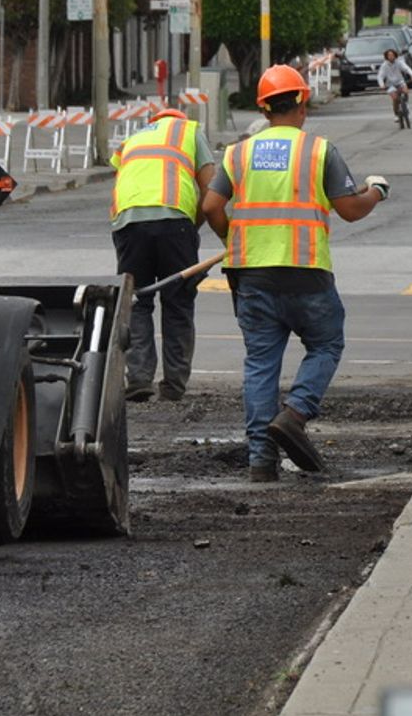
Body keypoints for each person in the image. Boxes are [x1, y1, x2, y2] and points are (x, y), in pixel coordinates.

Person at [201, 64, 389, 482]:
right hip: (305, 272)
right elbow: (350, 209)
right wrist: (377, 191)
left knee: (261, 364)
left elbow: (212, 207)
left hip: (251, 274)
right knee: (326, 343)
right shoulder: (319, 151)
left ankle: (261, 462)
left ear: (264, 108)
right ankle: (296, 412)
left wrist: (233, 240)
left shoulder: (237, 153)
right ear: (302, 103)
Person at [110, 106, 217, 402]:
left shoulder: (132, 140)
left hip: (128, 223)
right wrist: (192, 227)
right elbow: (210, 191)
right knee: (178, 301)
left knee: (138, 301)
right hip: (174, 222)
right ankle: (173, 385)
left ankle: (140, 379)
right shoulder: (190, 131)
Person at [377, 48, 412, 127]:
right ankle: (396, 114)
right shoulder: (384, 66)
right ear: (386, 57)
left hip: (400, 82)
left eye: (392, 55)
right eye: (389, 55)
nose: (391, 57)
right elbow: (380, 76)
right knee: (395, 98)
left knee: (405, 91)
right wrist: (382, 85)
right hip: (390, 85)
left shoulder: (399, 62)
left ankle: (406, 105)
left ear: (395, 55)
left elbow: (407, 69)